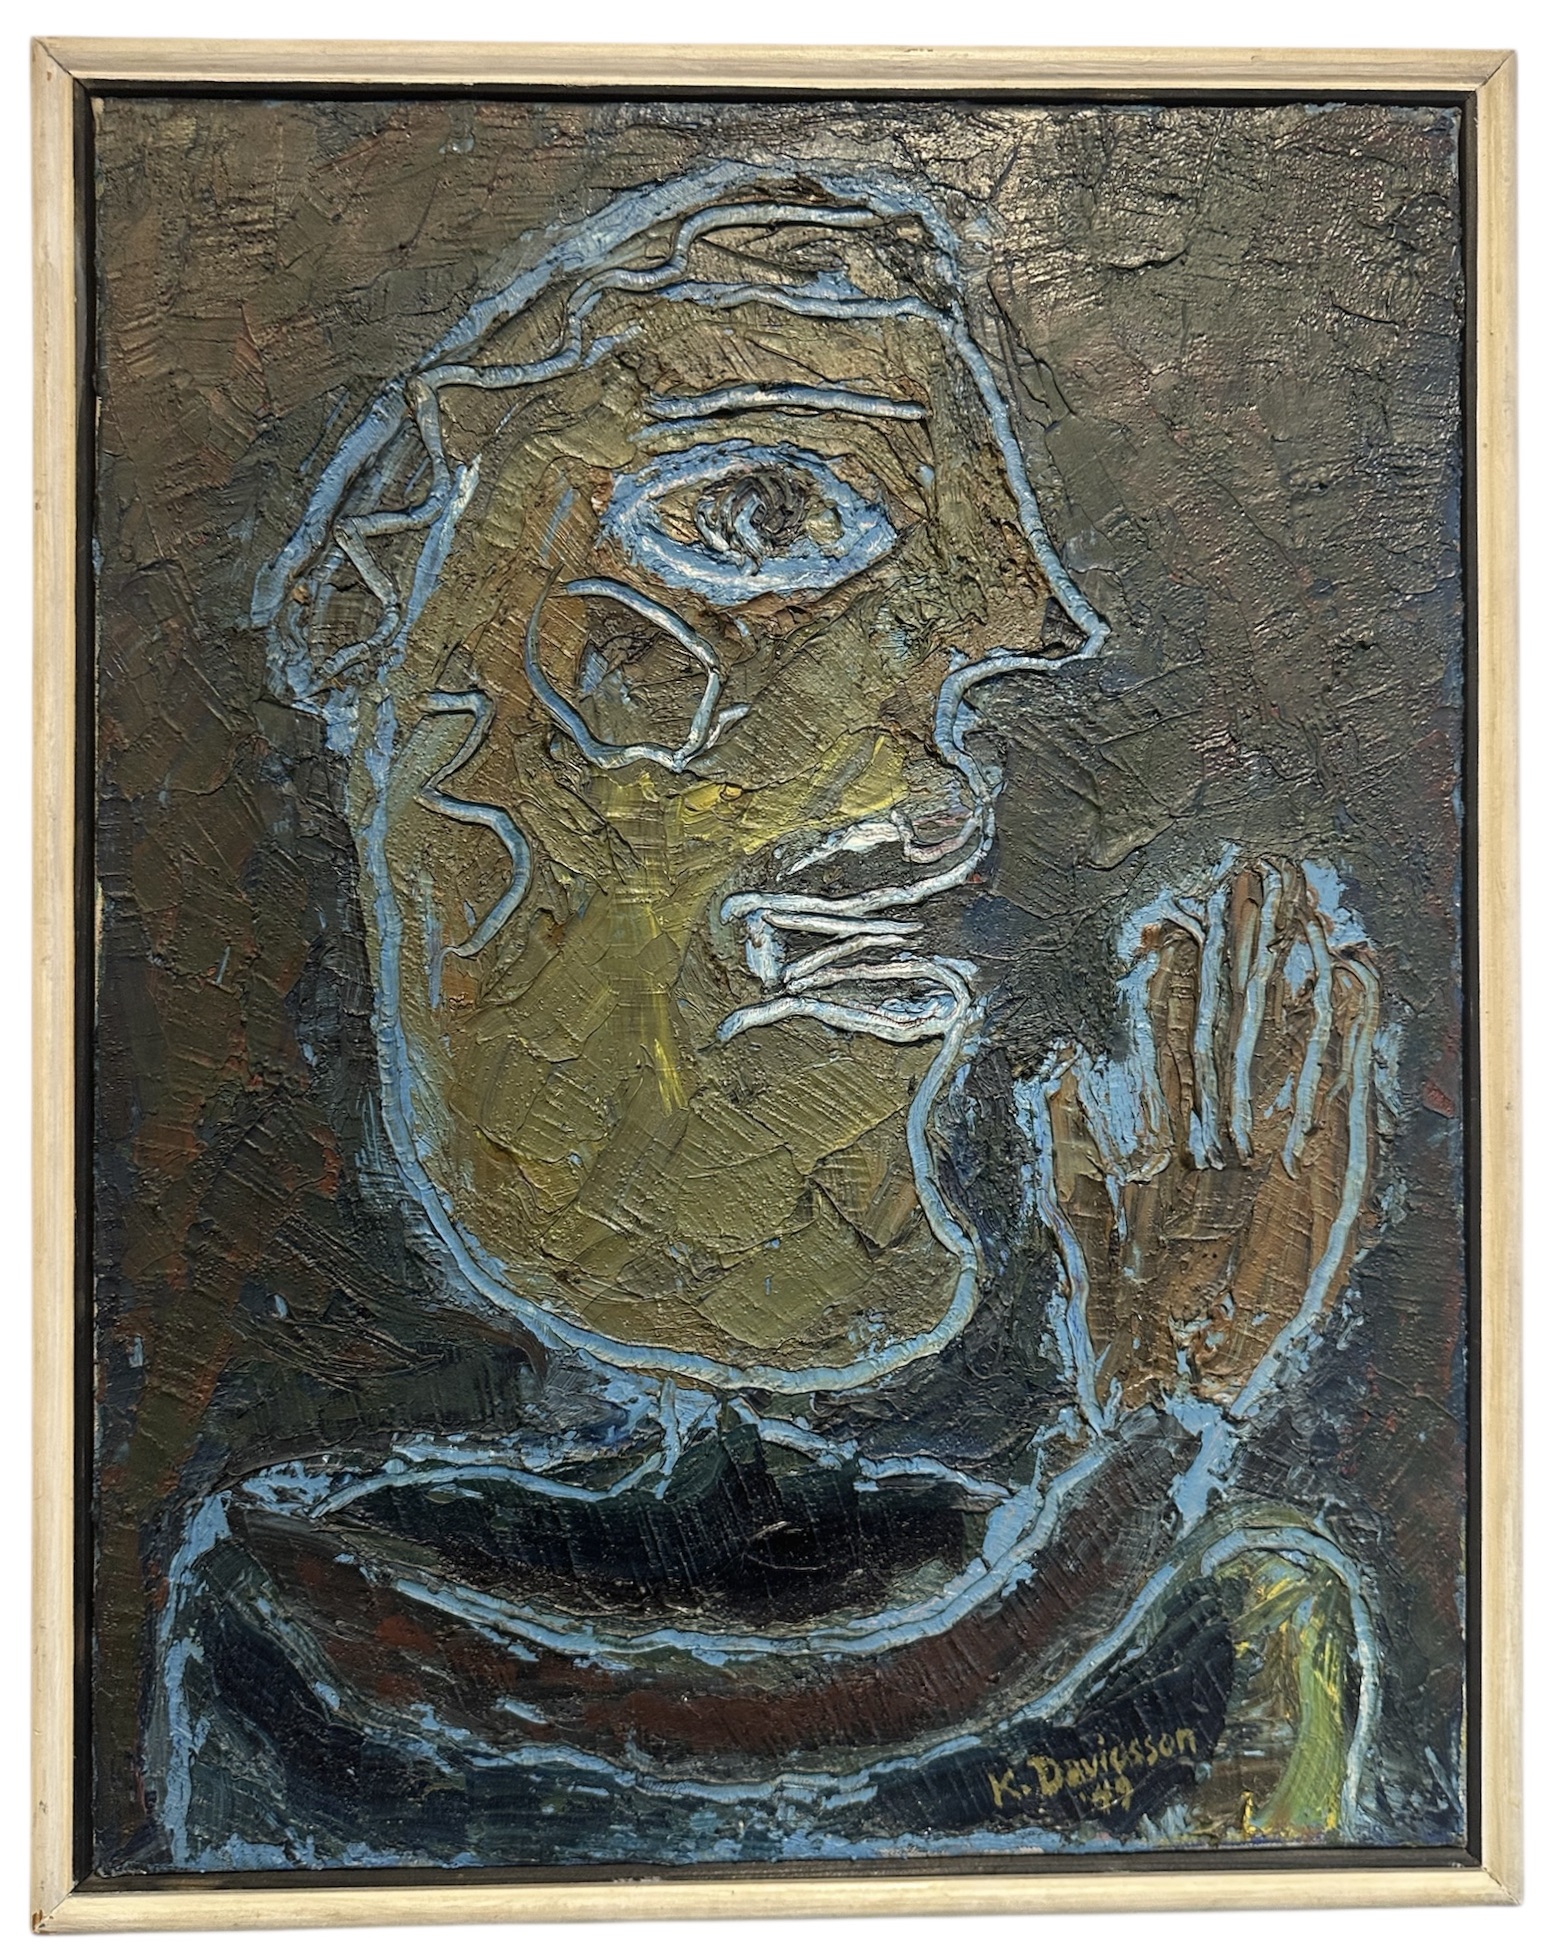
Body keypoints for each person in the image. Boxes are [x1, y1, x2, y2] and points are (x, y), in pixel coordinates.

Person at [147, 161, 1386, 1870]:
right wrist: (1161, 1438)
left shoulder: (1225, 1627)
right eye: (754, 516)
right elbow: (582, 1719)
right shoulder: (299, 1608)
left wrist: (1150, 1473)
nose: (1016, 629)